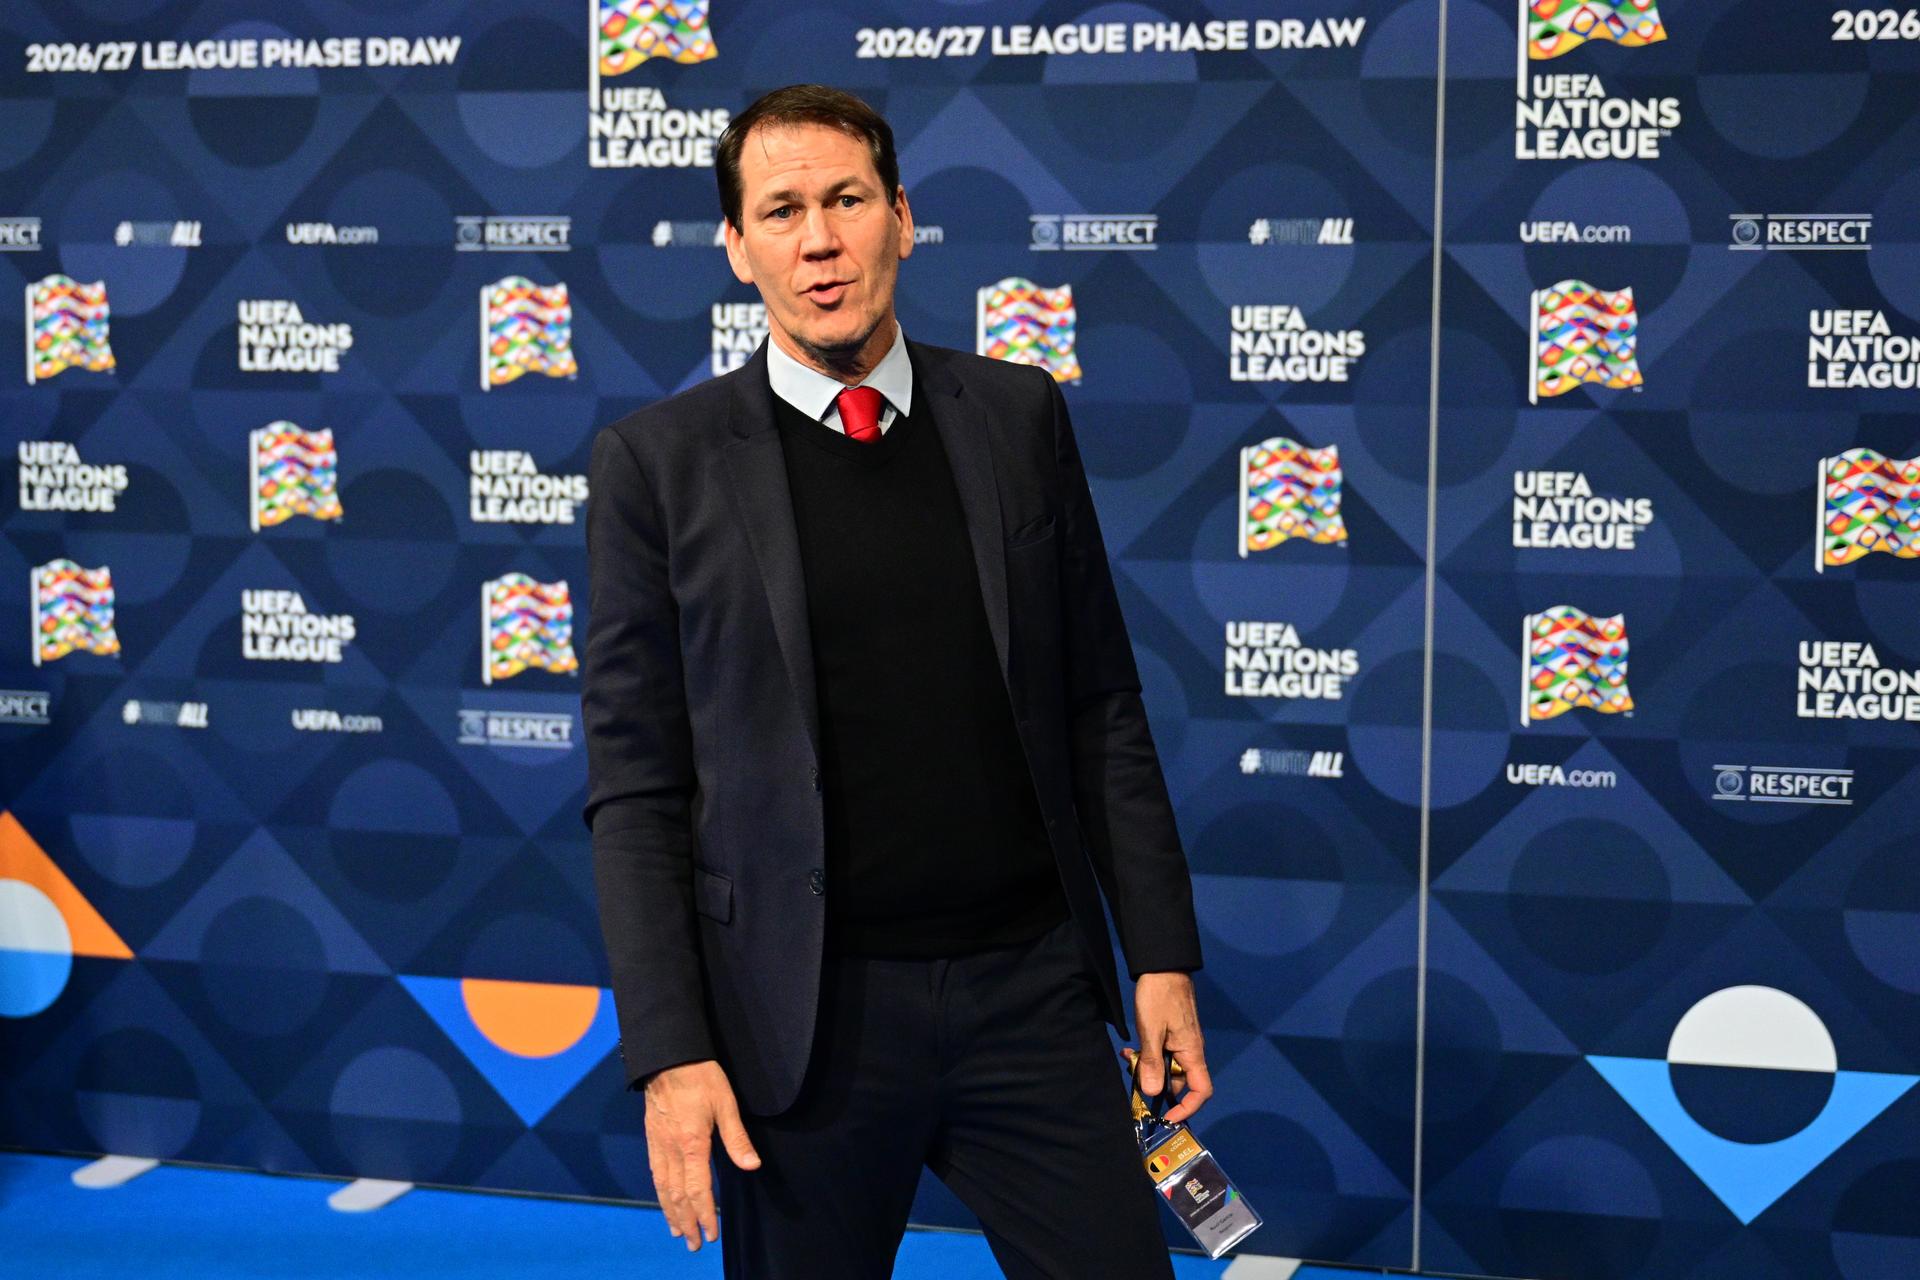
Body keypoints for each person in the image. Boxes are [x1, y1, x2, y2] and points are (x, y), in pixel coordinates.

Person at [580, 83, 1209, 1279]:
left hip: (1030, 993)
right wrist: (670, 1048)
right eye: (782, 211)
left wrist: (1161, 955)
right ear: (738, 246)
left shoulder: (1017, 416)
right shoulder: (658, 465)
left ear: (903, 219)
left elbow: (1101, 707)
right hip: (801, 1020)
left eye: (847, 200)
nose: (819, 240)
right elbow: (636, 786)